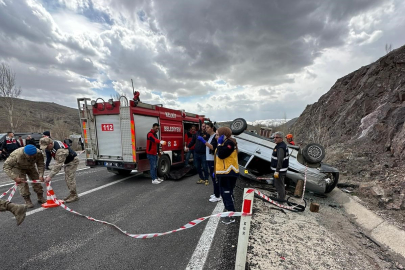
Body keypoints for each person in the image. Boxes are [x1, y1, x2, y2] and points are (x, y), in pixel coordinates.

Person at [40, 137, 80, 203]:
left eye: (46, 147)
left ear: (50, 144)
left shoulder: (60, 151)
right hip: (67, 161)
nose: (46, 149)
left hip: (72, 161)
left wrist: (50, 176)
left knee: (70, 178)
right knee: (67, 178)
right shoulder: (52, 144)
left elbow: (58, 165)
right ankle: (72, 194)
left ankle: (74, 195)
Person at [215, 127, 239, 224]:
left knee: (226, 193)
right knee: (225, 193)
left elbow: (221, 155)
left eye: (217, 135)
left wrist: (220, 144)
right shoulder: (225, 143)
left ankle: (231, 215)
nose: (216, 137)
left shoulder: (229, 143)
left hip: (228, 173)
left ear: (223, 135)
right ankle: (230, 210)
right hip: (223, 172)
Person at [199, 122, 220, 202]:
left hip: (213, 159)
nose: (206, 129)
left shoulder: (215, 136)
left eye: (207, 127)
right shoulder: (210, 136)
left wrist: (204, 142)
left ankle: (217, 196)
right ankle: (215, 193)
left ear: (212, 128)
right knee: (213, 177)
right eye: (206, 127)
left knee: (215, 178)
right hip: (209, 159)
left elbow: (213, 147)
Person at [271, 131, 290, 202]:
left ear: (281, 138)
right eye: (274, 137)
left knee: (279, 185)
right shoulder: (281, 145)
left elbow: (280, 160)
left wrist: (277, 171)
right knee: (280, 184)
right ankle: (281, 196)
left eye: (277, 137)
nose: (275, 139)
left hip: (280, 170)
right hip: (281, 170)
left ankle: (281, 199)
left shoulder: (281, 148)